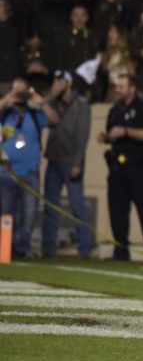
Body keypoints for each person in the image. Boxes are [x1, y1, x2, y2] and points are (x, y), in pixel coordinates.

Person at [98, 74, 143, 262]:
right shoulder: (115, 109)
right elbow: (114, 133)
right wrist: (108, 137)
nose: (118, 89)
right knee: (117, 212)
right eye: (116, 86)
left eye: (121, 86)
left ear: (132, 88)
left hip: (138, 168)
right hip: (117, 168)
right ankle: (120, 251)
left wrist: (126, 131)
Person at [0, 78, 59, 257]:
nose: (20, 96)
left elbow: (55, 120)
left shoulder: (34, 114)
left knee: (29, 213)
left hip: (30, 171)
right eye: (17, 92)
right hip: (6, 172)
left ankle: (21, 248)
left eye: (23, 92)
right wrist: (8, 99)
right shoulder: (5, 113)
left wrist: (41, 102)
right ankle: (5, 248)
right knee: (6, 213)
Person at [42, 70, 92, 259]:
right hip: (54, 159)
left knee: (78, 206)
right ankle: (48, 249)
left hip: (71, 161)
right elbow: (41, 110)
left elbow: (83, 135)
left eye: (61, 81)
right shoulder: (53, 101)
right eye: (55, 81)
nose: (58, 84)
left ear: (69, 83)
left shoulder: (81, 104)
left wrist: (78, 162)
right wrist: (51, 94)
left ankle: (84, 248)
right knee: (50, 206)